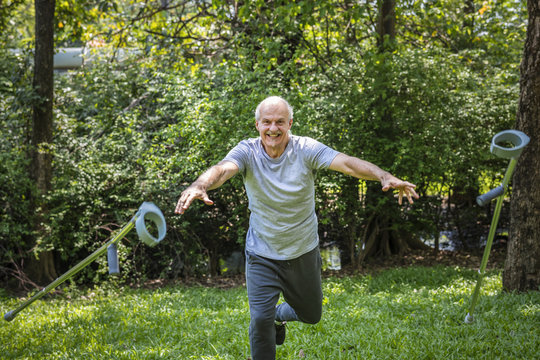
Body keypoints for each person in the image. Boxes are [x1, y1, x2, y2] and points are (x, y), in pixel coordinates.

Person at [175, 96, 419, 360]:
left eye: (280, 122)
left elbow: (346, 163)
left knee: (311, 315)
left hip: (302, 251)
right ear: (257, 125)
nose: (273, 128)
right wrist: (201, 184)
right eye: (266, 122)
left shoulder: (305, 149)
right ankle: (269, 321)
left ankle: (279, 315)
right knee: (259, 319)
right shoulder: (246, 151)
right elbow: (223, 170)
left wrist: (383, 175)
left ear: (290, 123)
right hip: (262, 253)